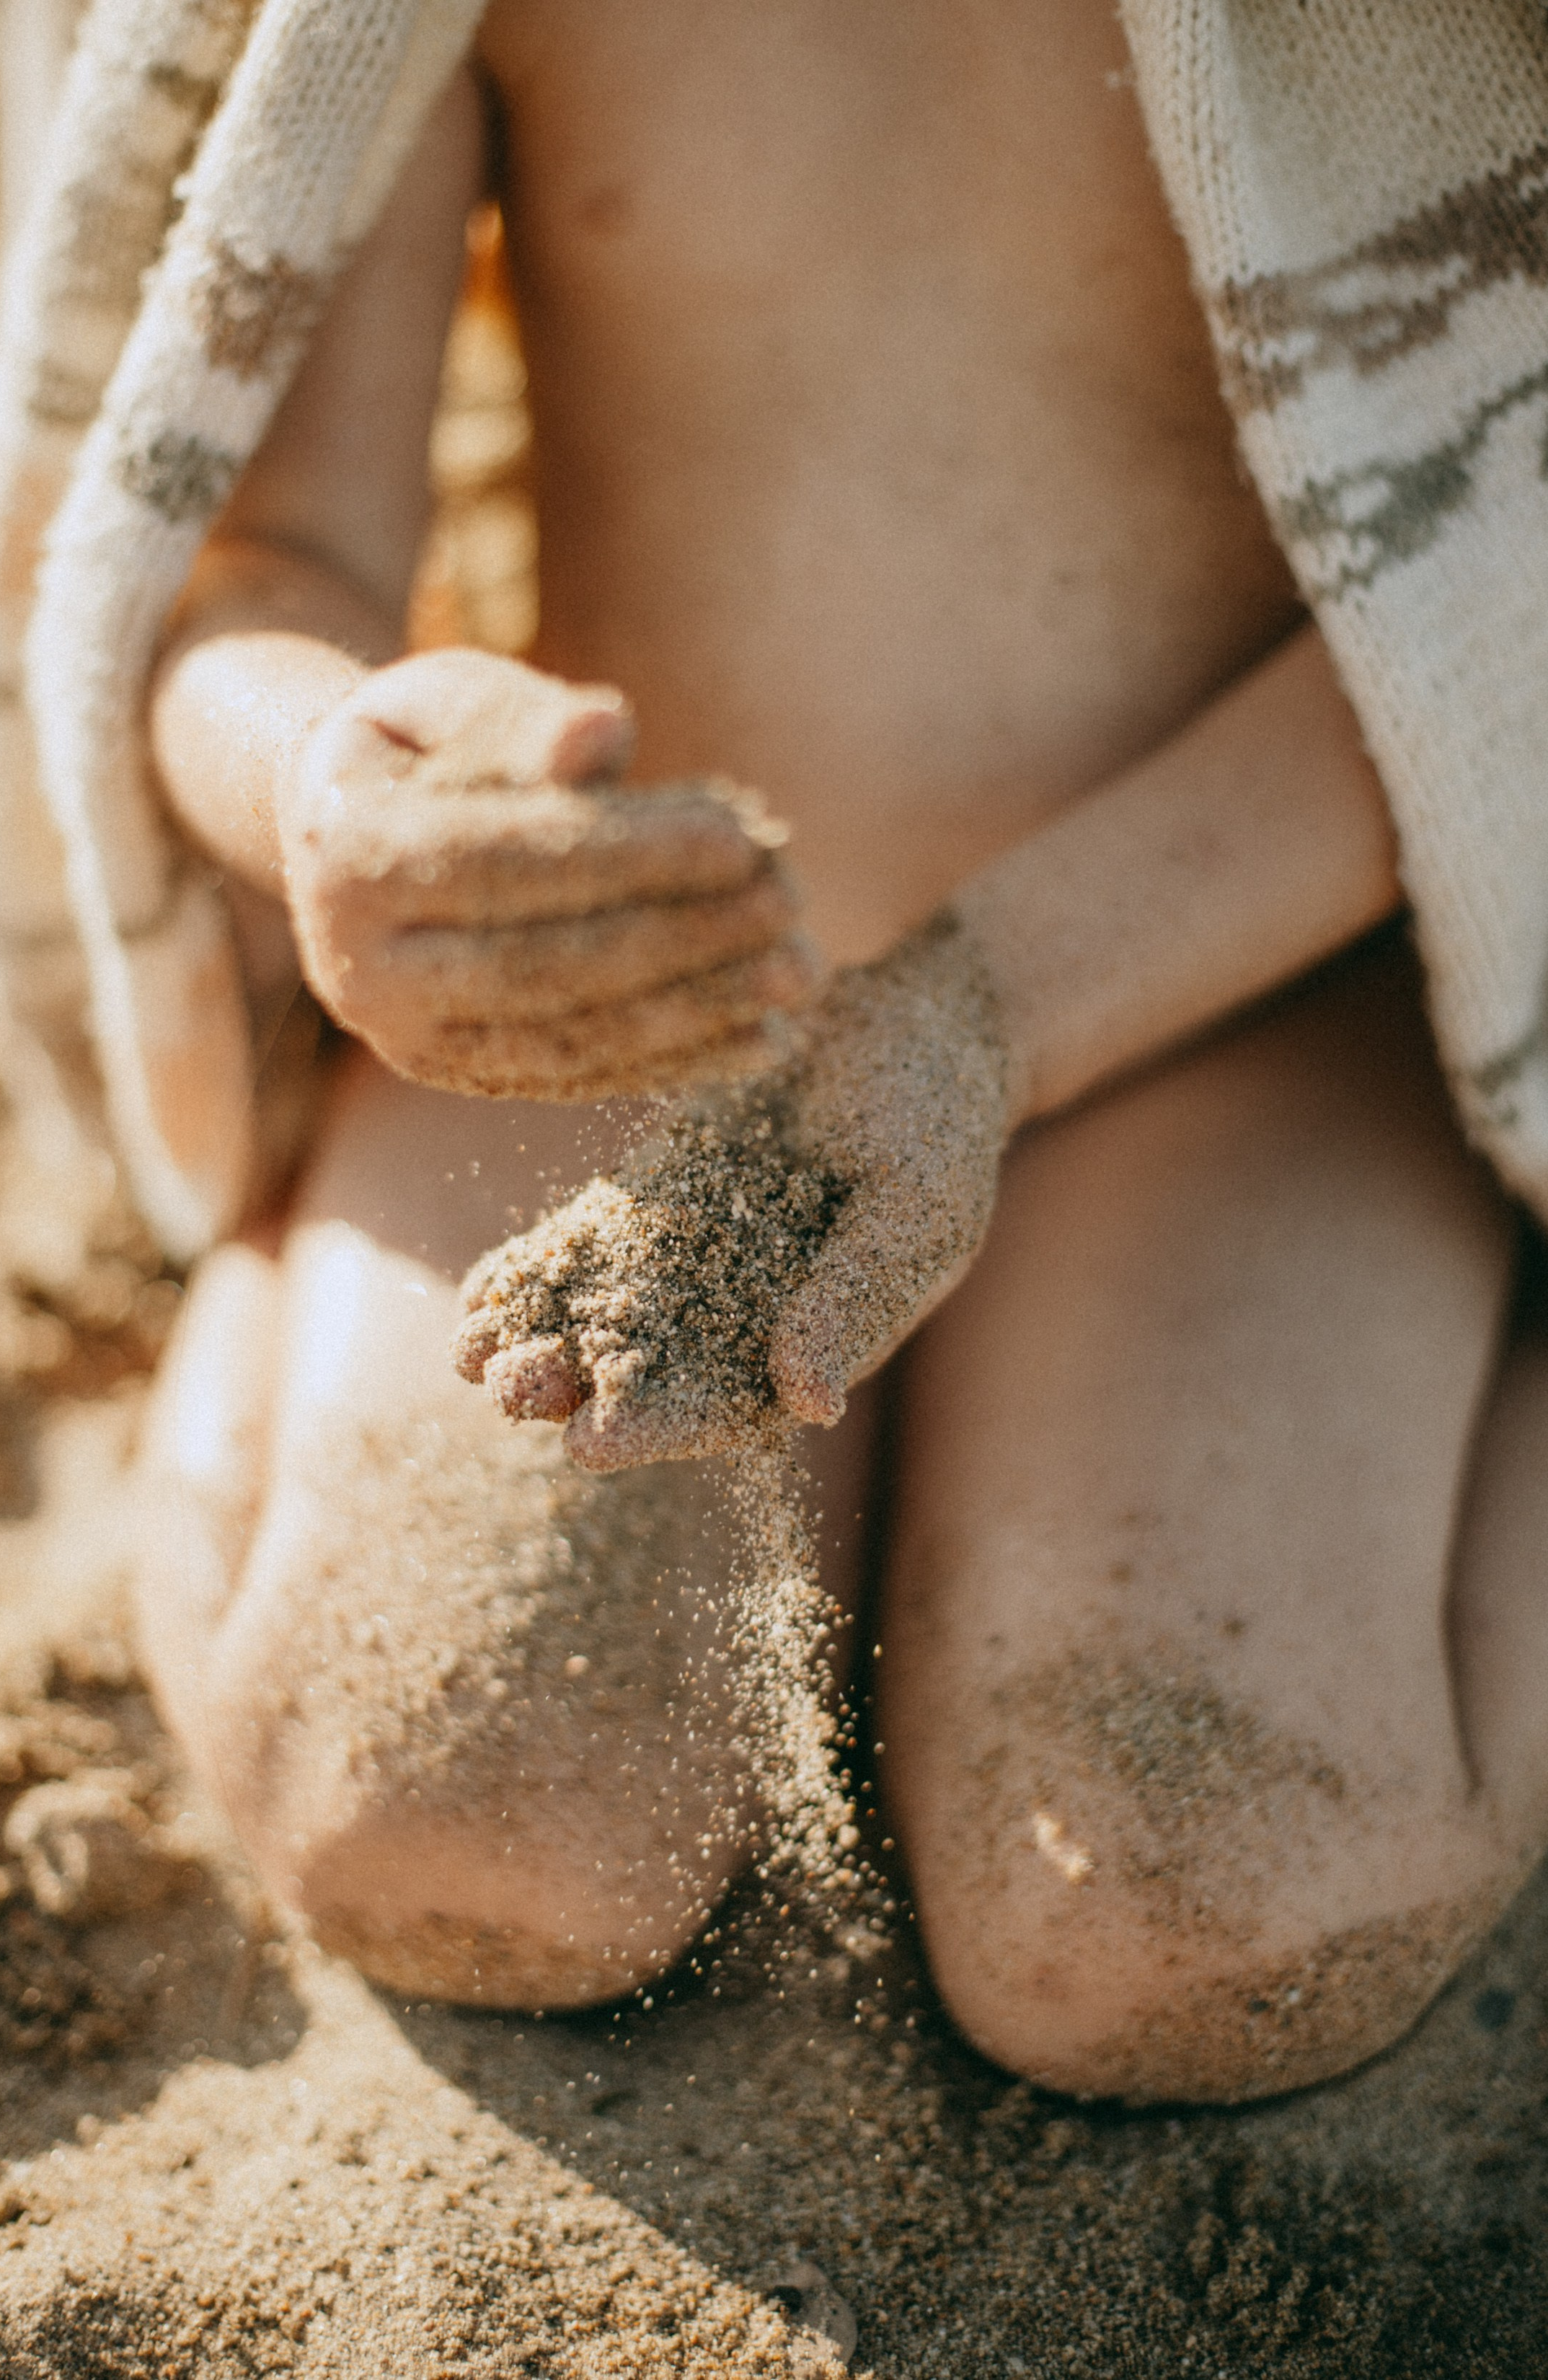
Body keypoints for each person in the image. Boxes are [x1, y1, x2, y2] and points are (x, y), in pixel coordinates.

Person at [128, 0, 1548, 2103]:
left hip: (1224, 976)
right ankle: (261, 1230)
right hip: (651, 972)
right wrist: (328, 784)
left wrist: (1000, 996)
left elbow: (1492, 573)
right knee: (461, 1817)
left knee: (1188, 1914)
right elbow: (253, 557)